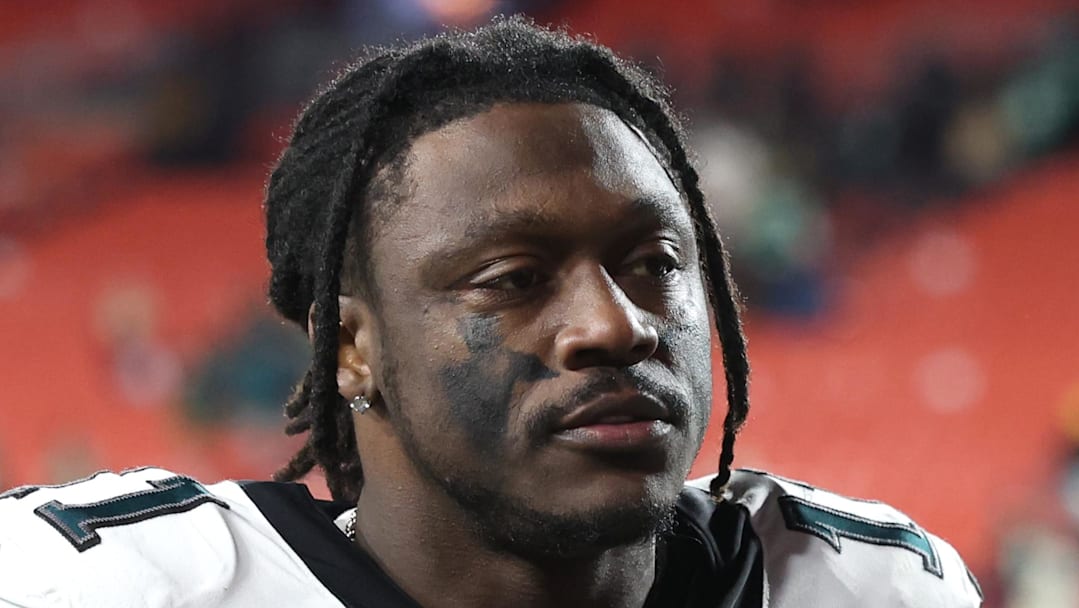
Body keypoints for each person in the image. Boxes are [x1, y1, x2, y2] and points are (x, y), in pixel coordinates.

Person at [0, 16, 982, 608]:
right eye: (512, 277)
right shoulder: (96, 584)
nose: (614, 323)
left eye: (653, 262)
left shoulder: (872, 585)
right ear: (349, 343)